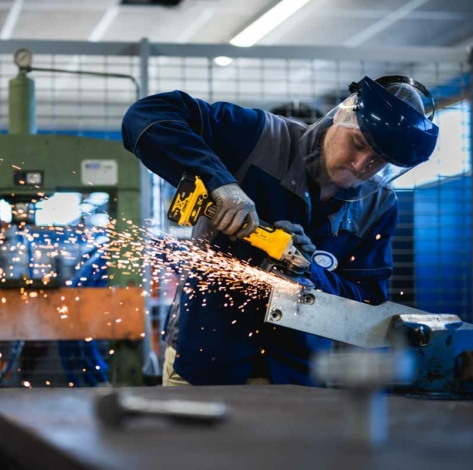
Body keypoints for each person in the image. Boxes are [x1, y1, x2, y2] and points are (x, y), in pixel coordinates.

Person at [121, 76, 439, 386]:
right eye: (357, 144)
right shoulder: (258, 136)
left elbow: (368, 300)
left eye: (379, 161)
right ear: (344, 112)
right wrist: (220, 181)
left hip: (298, 374)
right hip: (204, 359)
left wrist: (310, 273)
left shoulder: (379, 205)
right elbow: (148, 114)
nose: (360, 165)